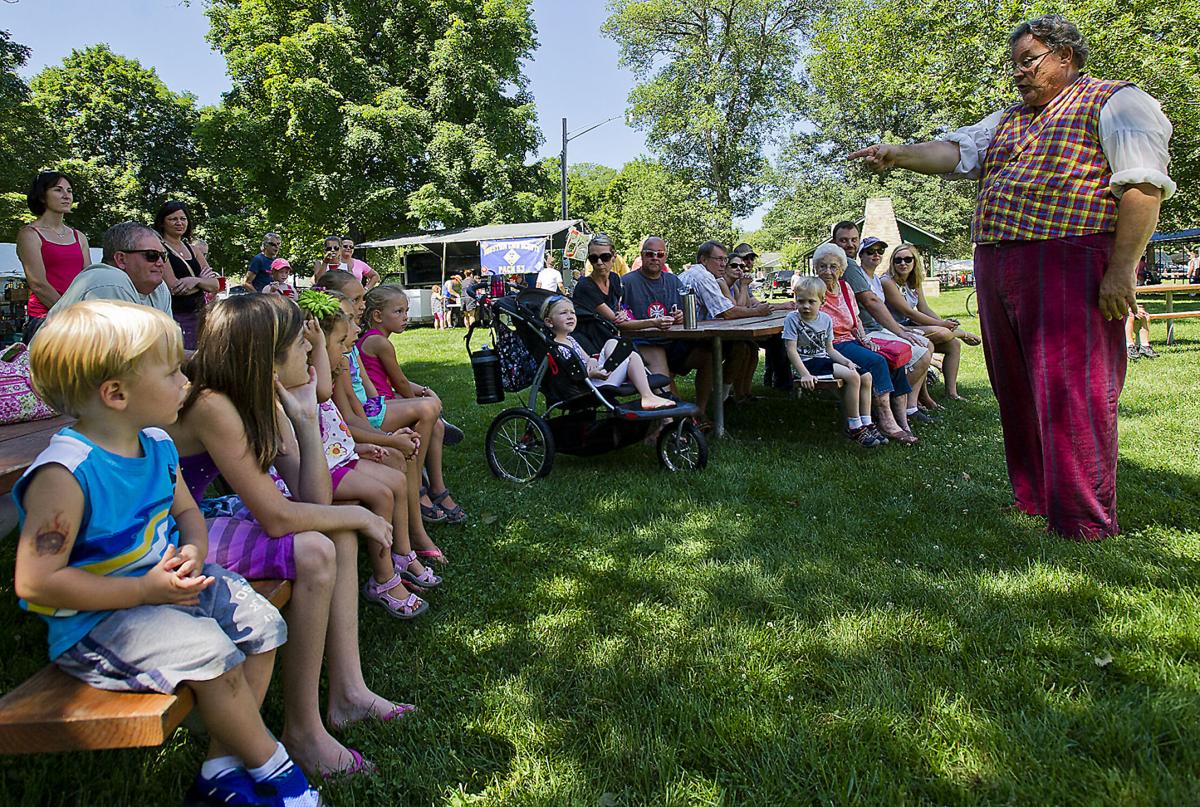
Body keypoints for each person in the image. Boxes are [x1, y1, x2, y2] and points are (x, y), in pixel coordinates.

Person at [850, 15, 1173, 539]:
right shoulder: (1007, 120)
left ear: (1066, 57)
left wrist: (1120, 273)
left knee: (1074, 389)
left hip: (1069, 260)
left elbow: (1142, 190)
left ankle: (1084, 519)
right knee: (1016, 386)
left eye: (1030, 60)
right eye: (1015, 63)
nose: (1019, 73)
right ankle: (1037, 499)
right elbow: (954, 153)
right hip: (1000, 263)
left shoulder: (1119, 103)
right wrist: (898, 154)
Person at [15, 300, 319, 805]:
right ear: (116, 394)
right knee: (213, 656)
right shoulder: (65, 473)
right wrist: (143, 589)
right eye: (172, 371)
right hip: (97, 620)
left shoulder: (155, 443)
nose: (186, 379)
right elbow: (36, 582)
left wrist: (195, 551)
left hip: (164, 589)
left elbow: (187, 516)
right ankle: (275, 769)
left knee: (262, 626)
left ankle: (219, 770)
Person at [168, 294, 407, 776]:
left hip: (203, 518)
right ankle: (303, 731)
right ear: (266, 360)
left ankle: (348, 692)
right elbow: (280, 519)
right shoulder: (214, 405)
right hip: (169, 535)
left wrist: (302, 418)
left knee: (329, 532)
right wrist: (360, 518)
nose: (308, 356)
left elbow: (311, 500)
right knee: (320, 544)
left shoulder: (266, 397)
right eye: (301, 345)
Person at [296, 292, 439, 613]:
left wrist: (377, 441)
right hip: (324, 469)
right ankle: (384, 576)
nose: (353, 342)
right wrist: (383, 439)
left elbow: (348, 420)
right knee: (383, 490)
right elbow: (337, 418)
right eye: (342, 341)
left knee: (396, 473)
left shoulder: (336, 367)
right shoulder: (310, 383)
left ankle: (402, 552)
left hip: (341, 455)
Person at [317, 270, 466, 532]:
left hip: (371, 406)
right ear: (378, 316)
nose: (406, 317)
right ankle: (421, 487)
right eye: (399, 311)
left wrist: (420, 393)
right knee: (429, 410)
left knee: (434, 419)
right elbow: (399, 385)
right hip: (365, 414)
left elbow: (368, 385)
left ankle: (430, 484)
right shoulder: (373, 342)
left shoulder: (354, 344)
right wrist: (420, 399)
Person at [833, 223, 937, 424]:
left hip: (868, 329)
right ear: (834, 242)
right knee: (918, 351)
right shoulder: (847, 264)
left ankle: (909, 406)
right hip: (860, 333)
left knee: (922, 347)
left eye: (853, 240)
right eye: (843, 240)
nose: (849, 244)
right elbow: (870, 302)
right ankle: (888, 408)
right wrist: (900, 331)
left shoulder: (856, 269)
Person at [814, 243, 915, 444]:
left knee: (893, 360)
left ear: (842, 269)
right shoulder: (813, 288)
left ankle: (902, 420)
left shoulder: (845, 287)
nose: (827, 271)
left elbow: (855, 318)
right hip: (831, 345)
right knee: (876, 362)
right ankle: (886, 421)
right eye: (822, 266)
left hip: (851, 339)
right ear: (816, 268)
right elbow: (802, 313)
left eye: (833, 267)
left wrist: (865, 339)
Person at [783, 276, 884, 447]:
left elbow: (829, 349)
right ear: (795, 300)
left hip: (823, 360)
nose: (805, 306)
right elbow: (791, 350)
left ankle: (867, 423)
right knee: (853, 378)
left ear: (822, 301)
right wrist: (805, 374)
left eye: (811, 301)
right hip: (808, 364)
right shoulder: (792, 319)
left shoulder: (826, 320)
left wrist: (846, 362)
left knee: (866, 376)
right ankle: (854, 427)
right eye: (801, 301)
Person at [621, 236, 712, 423]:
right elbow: (620, 320)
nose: (655, 257)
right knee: (659, 359)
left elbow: (685, 314)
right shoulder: (626, 283)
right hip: (645, 344)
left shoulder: (673, 281)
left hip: (673, 341)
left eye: (659, 254)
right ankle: (670, 423)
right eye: (650, 254)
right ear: (642, 256)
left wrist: (681, 317)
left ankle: (700, 412)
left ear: (665, 257)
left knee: (708, 357)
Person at [880, 243, 982, 401]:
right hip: (895, 328)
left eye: (908, 259)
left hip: (911, 325)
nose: (903, 263)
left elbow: (923, 308)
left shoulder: (914, 281)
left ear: (915, 262)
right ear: (892, 263)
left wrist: (942, 321)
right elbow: (909, 312)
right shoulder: (888, 282)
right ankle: (962, 334)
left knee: (953, 344)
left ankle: (951, 393)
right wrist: (943, 326)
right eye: (897, 260)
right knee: (941, 334)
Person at [679, 241, 773, 406]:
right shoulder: (703, 276)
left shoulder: (710, 276)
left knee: (749, 346)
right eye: (719, 259)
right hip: (684, 337)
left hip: (695, 332)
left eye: (724, 259)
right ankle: (720, 399)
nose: (724, 264)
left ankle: (739, 394)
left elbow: (736, 307)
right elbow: (728, 312)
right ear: (703, 260)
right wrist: (758, 312)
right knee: (740, 347)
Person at [541, 295, 675, 410]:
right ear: (549, 322)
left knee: (612, 342)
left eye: (572, 312)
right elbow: (568, 376)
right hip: (589, 384)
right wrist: (591, 373)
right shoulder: (556, 347)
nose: (570, 316)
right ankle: (647, 396)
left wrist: (592, 360)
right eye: (563, 313)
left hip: (599, 376)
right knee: (630, 354)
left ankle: (615, 364)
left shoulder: (571, 340)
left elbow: (588, 358)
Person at [16, 171, 90, 343]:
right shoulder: (30, 234)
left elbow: (88, 278)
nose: (66, 195)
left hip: (78, 319)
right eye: (58, 190)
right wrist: (70, 314)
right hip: (46, 320)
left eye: (69, 191)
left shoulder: (79, 236)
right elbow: (38, 284)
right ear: (42, 196)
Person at [52, 222, 172, 316]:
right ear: (121, 259)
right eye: (152, 255)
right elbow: (126, 345)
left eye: (163, 256)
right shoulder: (109, 281)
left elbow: (169, 342)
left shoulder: (159, 289)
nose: (160, 263)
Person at [154, 200, 220, 350]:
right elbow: (175, 287)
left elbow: (215, 285)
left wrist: (194, 280)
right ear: (162, 222)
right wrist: (203, 282)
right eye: (173, 219)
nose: (179, 223)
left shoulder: (193, 250)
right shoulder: (160, 249)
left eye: (183, 219)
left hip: (201, 316)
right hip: (177, 317)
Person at [572, 234, 626, 326]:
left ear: (614, 258)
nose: (599, 262)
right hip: (590, 336)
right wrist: (653, 322)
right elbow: (614, 320)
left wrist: (623, 313)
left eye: (605, 257)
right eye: (594, 258)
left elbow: (618, 310)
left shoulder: (614, 278)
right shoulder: (585, 286)